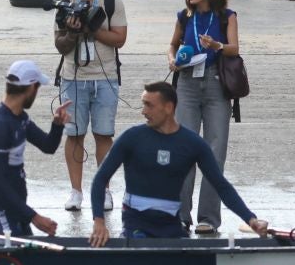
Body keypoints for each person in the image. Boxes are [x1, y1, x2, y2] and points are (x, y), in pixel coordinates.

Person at [90, 81, 270, 243]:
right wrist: (99, 221)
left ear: (168, 108)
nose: (143, 111)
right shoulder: (132, 138)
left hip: (171, 228)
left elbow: (221, 186)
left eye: (149, 105)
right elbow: (100, 179)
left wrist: (251, 220)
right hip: (136, 227)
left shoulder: (192, 144)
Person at [165, 0, 240, 233]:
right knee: (183, 147)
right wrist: (172, 60)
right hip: (186, 83)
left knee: (214, 151)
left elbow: (234, 47)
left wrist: (216, 46)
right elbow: (172, 45)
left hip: (216, 84)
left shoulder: (226, 17)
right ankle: (180, 214)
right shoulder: (184, 16)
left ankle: (208, 217)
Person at [54, 0, 127, 211]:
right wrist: (73, 33)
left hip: (105, 76)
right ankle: (75, 192)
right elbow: (60, 46)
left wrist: (93, 29)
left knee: (104, 134)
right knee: (74, 135)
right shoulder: (65, 2)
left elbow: (120, 39)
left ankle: (104, 191)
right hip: (73, 77)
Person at [0, 60, 69, 237]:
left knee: (27, 263)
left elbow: (48, 146)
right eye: (38, 88)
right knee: (12, 261)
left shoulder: (19, 118)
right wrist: (34, 217)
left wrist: (57, 125)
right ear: (31, 87)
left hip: (16, 208)